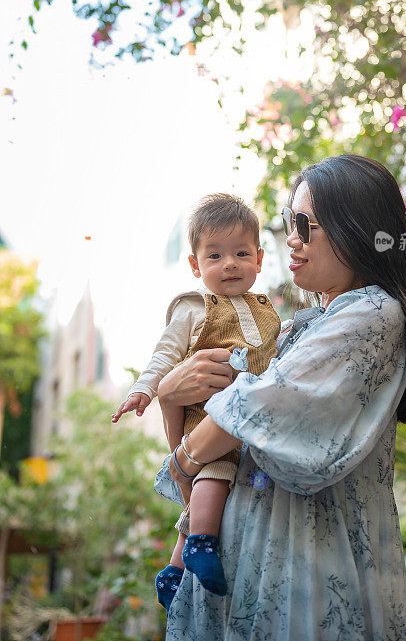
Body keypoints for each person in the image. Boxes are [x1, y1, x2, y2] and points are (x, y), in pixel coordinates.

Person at [154, 154, 406, 641]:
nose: (290, 239)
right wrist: (170, 398)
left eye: (303, 224)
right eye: (288, 223)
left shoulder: (372, 313)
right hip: (250, 573)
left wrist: (184, 460)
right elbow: (215, 439)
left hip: (307, 578)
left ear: (352, 227)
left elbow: (248, 413)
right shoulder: (298, 328)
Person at [112, 194, 280, 604]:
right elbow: (165, 354)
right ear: (195, 265)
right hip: (207, 417)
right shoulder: (193, 308)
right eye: (216, 255)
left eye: (242, 253)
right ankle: (200, 545)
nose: (230, 264)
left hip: (251, 425)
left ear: (259, 259)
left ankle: (173, 571)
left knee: (224, 491)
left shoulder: (268, 310)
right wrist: (143, 389)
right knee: (214, 474)